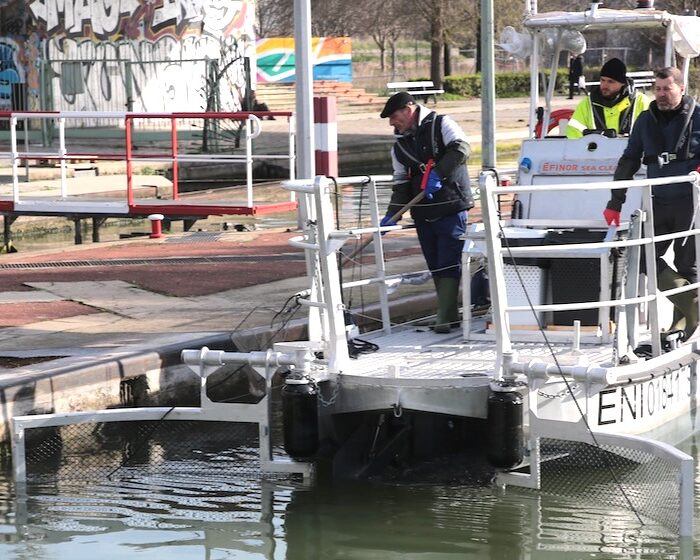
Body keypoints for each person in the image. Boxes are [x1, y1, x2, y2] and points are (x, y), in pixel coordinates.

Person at [603, 66, 700, 341]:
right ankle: (695, 306)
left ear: (681, 88)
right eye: (656, 89)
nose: (660, 94)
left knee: (688, 267)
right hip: (657, 200)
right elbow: (630, 160)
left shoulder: (699, 116)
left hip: (690, 202)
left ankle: (682, 328)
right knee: (642, 257)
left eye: (666, 88)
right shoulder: (645, 120)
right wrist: (615, 202)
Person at [379, 92, 474, 333]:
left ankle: (445, 316)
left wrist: (438, 173)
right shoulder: (399, 147)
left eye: (393, 116)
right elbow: (401, 184)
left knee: (448, 261)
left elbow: (461, 149)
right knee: (435, 263)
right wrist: (393, 214)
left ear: (408, 109)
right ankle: (448, 316)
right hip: (423, 213)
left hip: (452, 206)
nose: (391, 122)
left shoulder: (442, 124)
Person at [566, 57, 650, 139]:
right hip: (595, 153)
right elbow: (573, 132)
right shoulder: (586, 104)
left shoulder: (641, 102)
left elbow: (653, 134)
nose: (605, 85)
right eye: (602, 80)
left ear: (622, 83)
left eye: (611, 81)